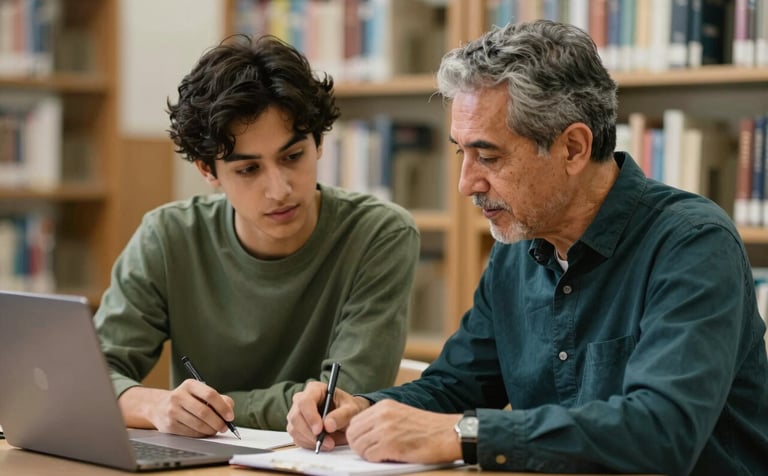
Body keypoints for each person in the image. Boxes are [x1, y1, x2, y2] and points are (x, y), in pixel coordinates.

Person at [286, 20, 768, 475]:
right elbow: (459, 384)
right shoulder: (518, 244)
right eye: (462, 153)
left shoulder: (692, 244)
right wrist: (361, 411)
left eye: (488, 156)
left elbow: (662, 431)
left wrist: (465, 434)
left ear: (574, 148)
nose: (465, 184)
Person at [94, 34, 420, 436]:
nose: (279, 189)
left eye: (292, 156)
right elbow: (94, 376)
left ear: (318, 143)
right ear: (208, 172)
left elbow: (341, 401)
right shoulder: (167, 237)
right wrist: (158, 406)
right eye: (248, 169)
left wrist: (215, 406)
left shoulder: (379, 235)